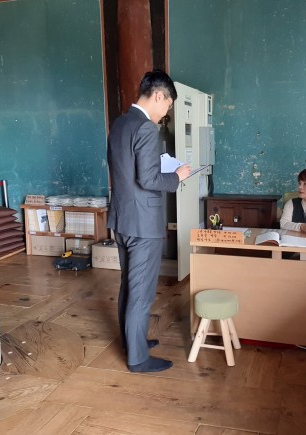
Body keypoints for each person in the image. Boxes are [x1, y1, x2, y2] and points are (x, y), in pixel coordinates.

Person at [107, 69, 191, 373]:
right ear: (158, 96)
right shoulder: (145, 128)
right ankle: (138, 358)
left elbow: (124, 171)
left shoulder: (120, 123)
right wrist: (177, 176)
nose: (166, 113)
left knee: (129, 286)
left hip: (122, 218)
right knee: (141, 293)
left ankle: (132, 342)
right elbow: (149, 178)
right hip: (143, 225)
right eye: (168, 105)